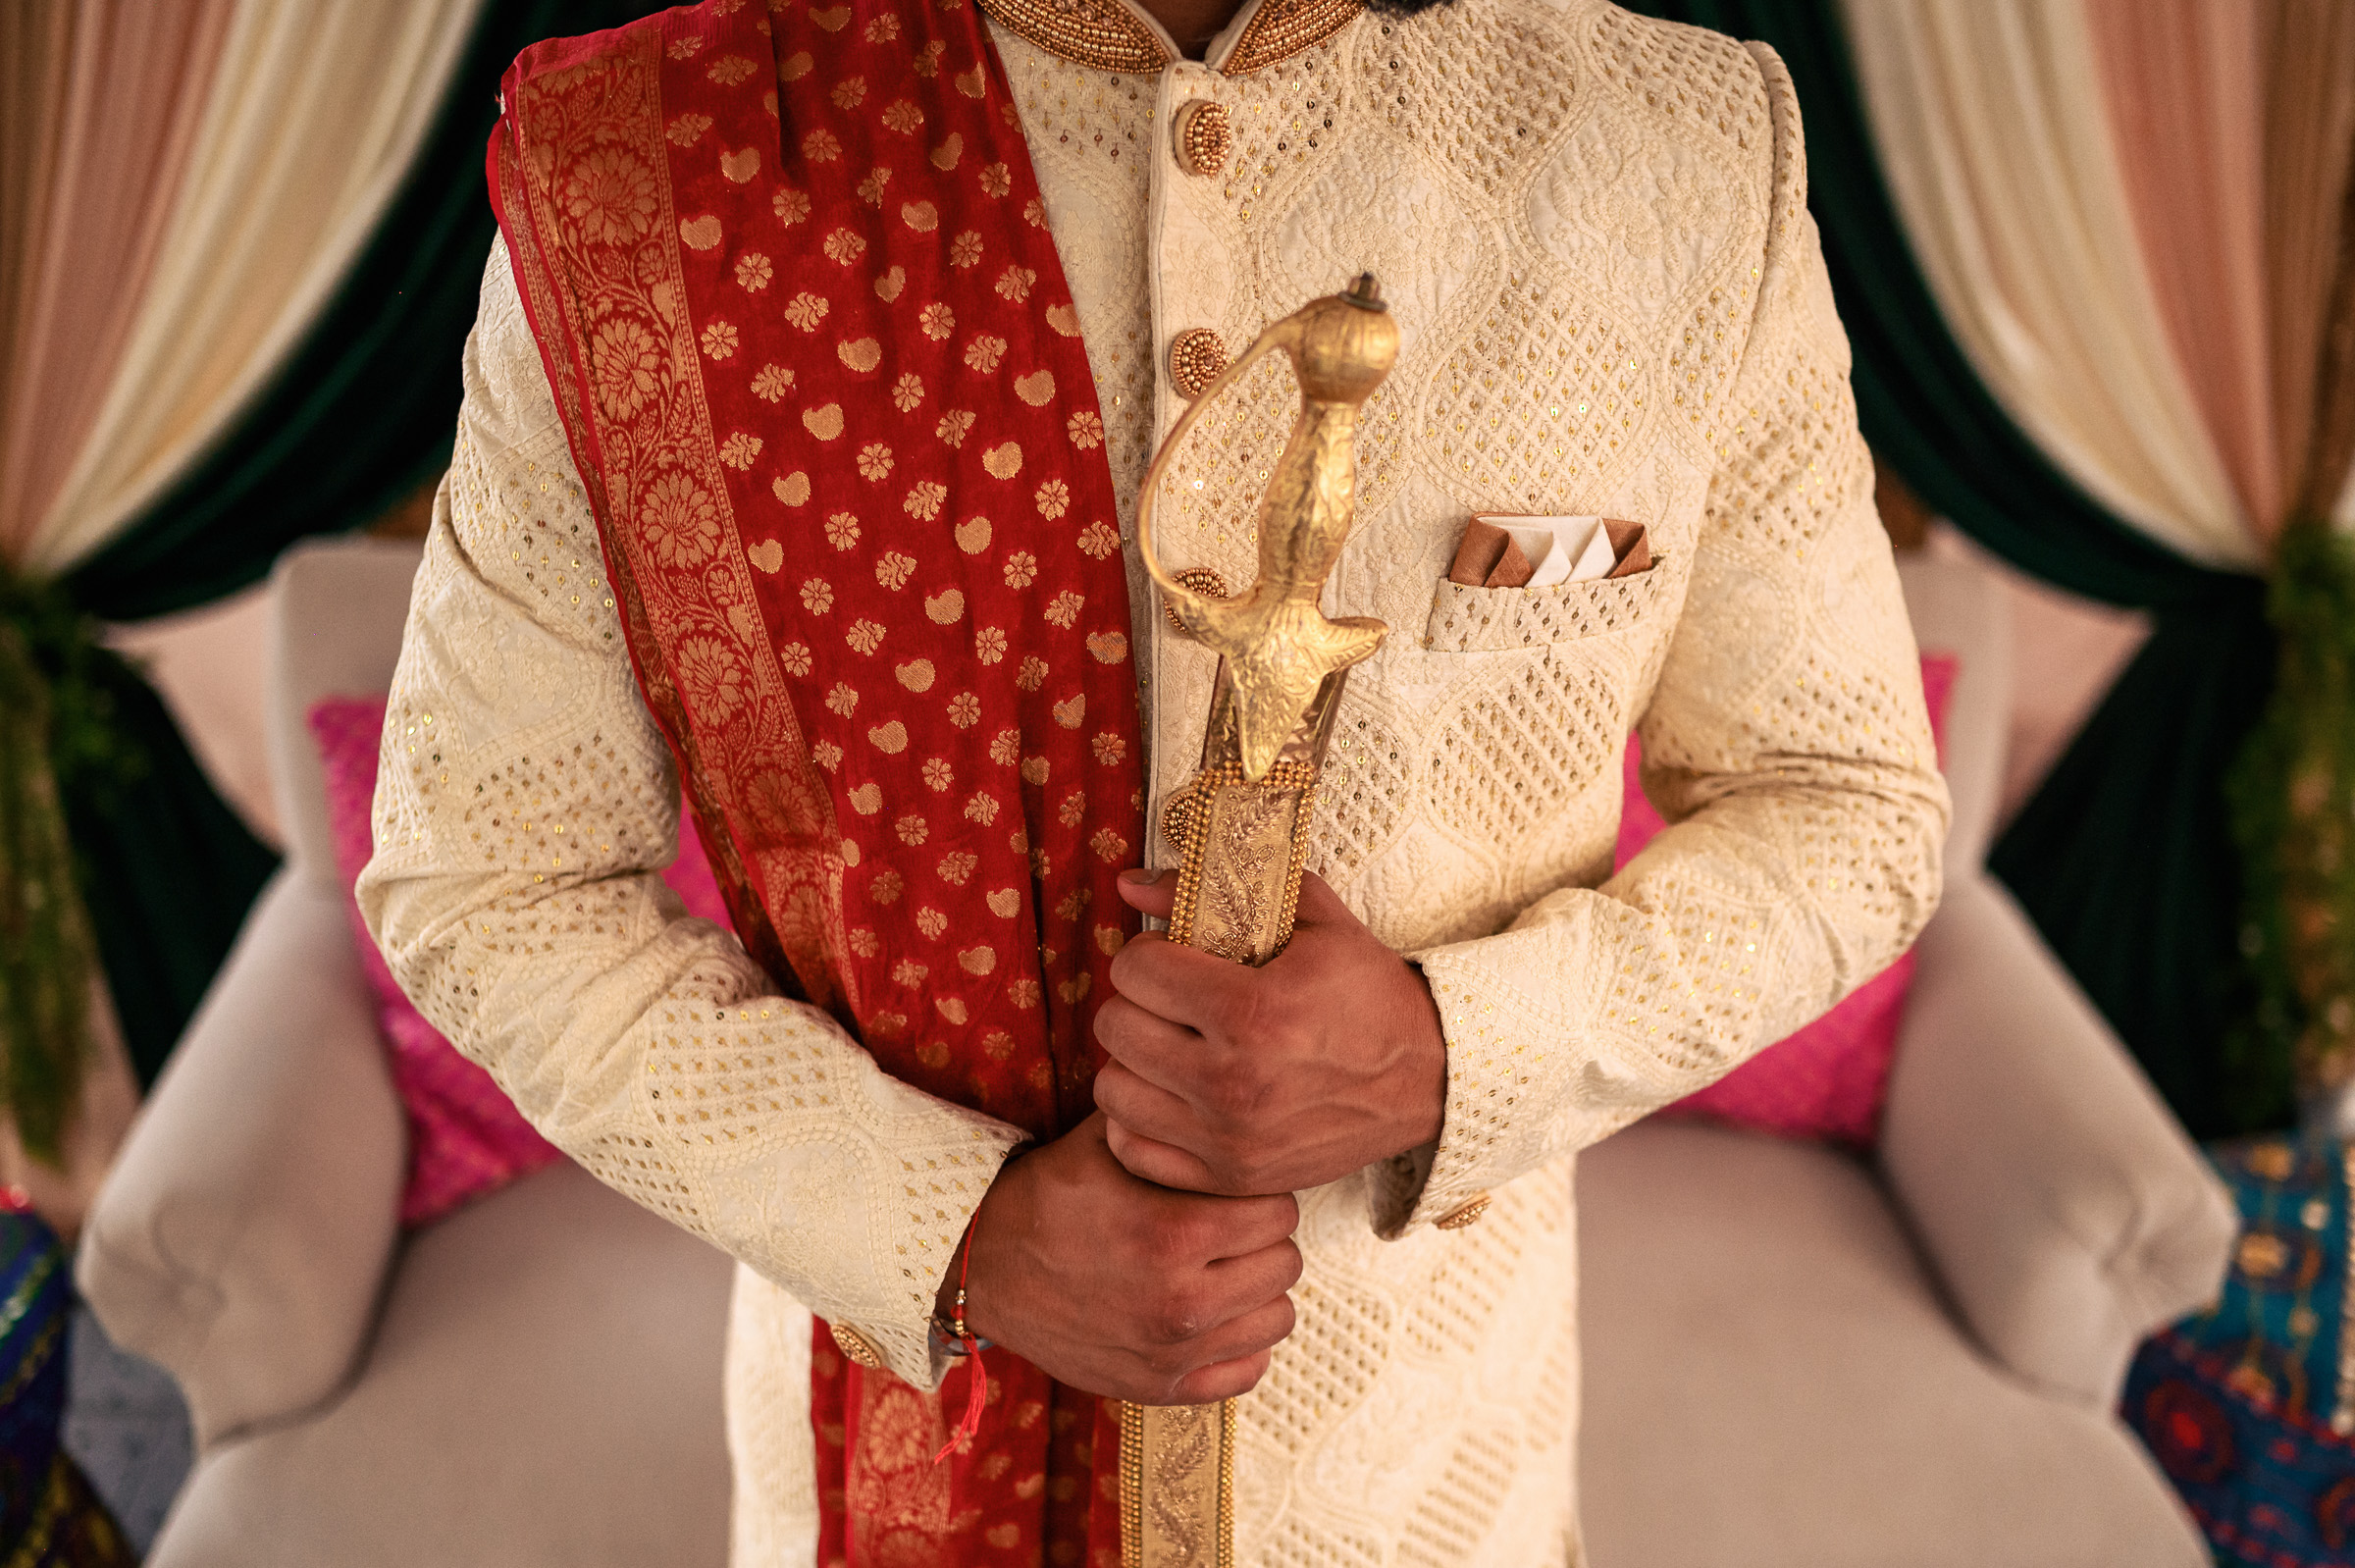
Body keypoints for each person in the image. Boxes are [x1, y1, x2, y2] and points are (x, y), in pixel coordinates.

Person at [359, 0, 1949, 1561]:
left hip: (1429, 1499)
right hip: (883, 1464)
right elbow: (485, 877)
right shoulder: (665, 175)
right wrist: (950, 1230)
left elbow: (1849, 804)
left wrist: (1452, 1053)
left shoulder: (1677, 151)